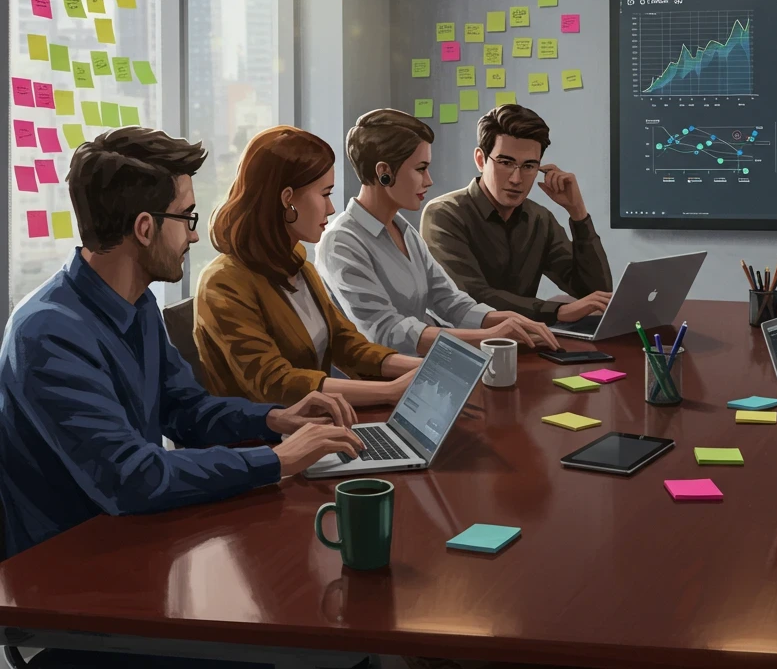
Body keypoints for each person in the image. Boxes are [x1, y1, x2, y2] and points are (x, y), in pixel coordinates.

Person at [0, 128, 363, 563]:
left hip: (133, 541)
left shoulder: (137, 304)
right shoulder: (47, 333)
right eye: (187, 218)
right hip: (63, 571)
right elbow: (132, 477)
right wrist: (278, 459)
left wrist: (276, 418)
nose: (194, 237)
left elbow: (186, 409)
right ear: (145, 228)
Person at [194, 126, 423, 408]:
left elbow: (347, 345)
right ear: (287, 198)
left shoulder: (299, 265)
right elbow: (274, 383)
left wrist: (421, 368)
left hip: (318, 421)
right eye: (324, 194)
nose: (331, 208)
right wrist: (389, 392)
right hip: (266, 433)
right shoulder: (223, 283)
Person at [317, 109, 560, 353]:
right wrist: (489, 336)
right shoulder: (341, 242)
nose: (429, 180)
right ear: (384, 173)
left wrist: (510, 320)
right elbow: (386, 332)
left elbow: (449, 300)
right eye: (420, 169)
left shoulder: (404, 230)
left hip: (422, 363)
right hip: (388, 372)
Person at [421, 104, 613, 325]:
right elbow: (471, 298)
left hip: (526, 338)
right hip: (460, 340)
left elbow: (597, 296)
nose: (516, 179)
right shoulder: (443, 214)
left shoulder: (540, 219)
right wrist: (558, 311)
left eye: (528, 166)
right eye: (505, 162)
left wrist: (578, 212)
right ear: (481, 160)